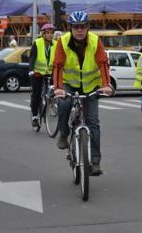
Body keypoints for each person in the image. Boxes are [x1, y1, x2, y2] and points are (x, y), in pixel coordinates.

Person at [53, 11, 112, 176]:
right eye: (76, 27)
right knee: (64, 104)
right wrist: (58, 88)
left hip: (91, 85)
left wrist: (106, 85)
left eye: (82, 27)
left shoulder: (95, 41)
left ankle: (94, 163)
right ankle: (64, 133)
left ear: (88, 27)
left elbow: (103, 63)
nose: (79, 30)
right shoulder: (63, 41)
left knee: (93, 123)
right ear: (71, 28)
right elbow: (58, 65)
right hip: (69, 84)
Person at [28, 23, 57, 128]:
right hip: (37, 73)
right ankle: (35, 117)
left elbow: (58, 60)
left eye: (52, 33)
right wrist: (31, 70)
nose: (50, 35)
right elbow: (32, 57)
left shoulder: (56, 44)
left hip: (50, 73)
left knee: (56, 90)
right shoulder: (37, 43)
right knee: (36, 94)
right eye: (48, 33)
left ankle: (52, 104)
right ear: (43, 34)